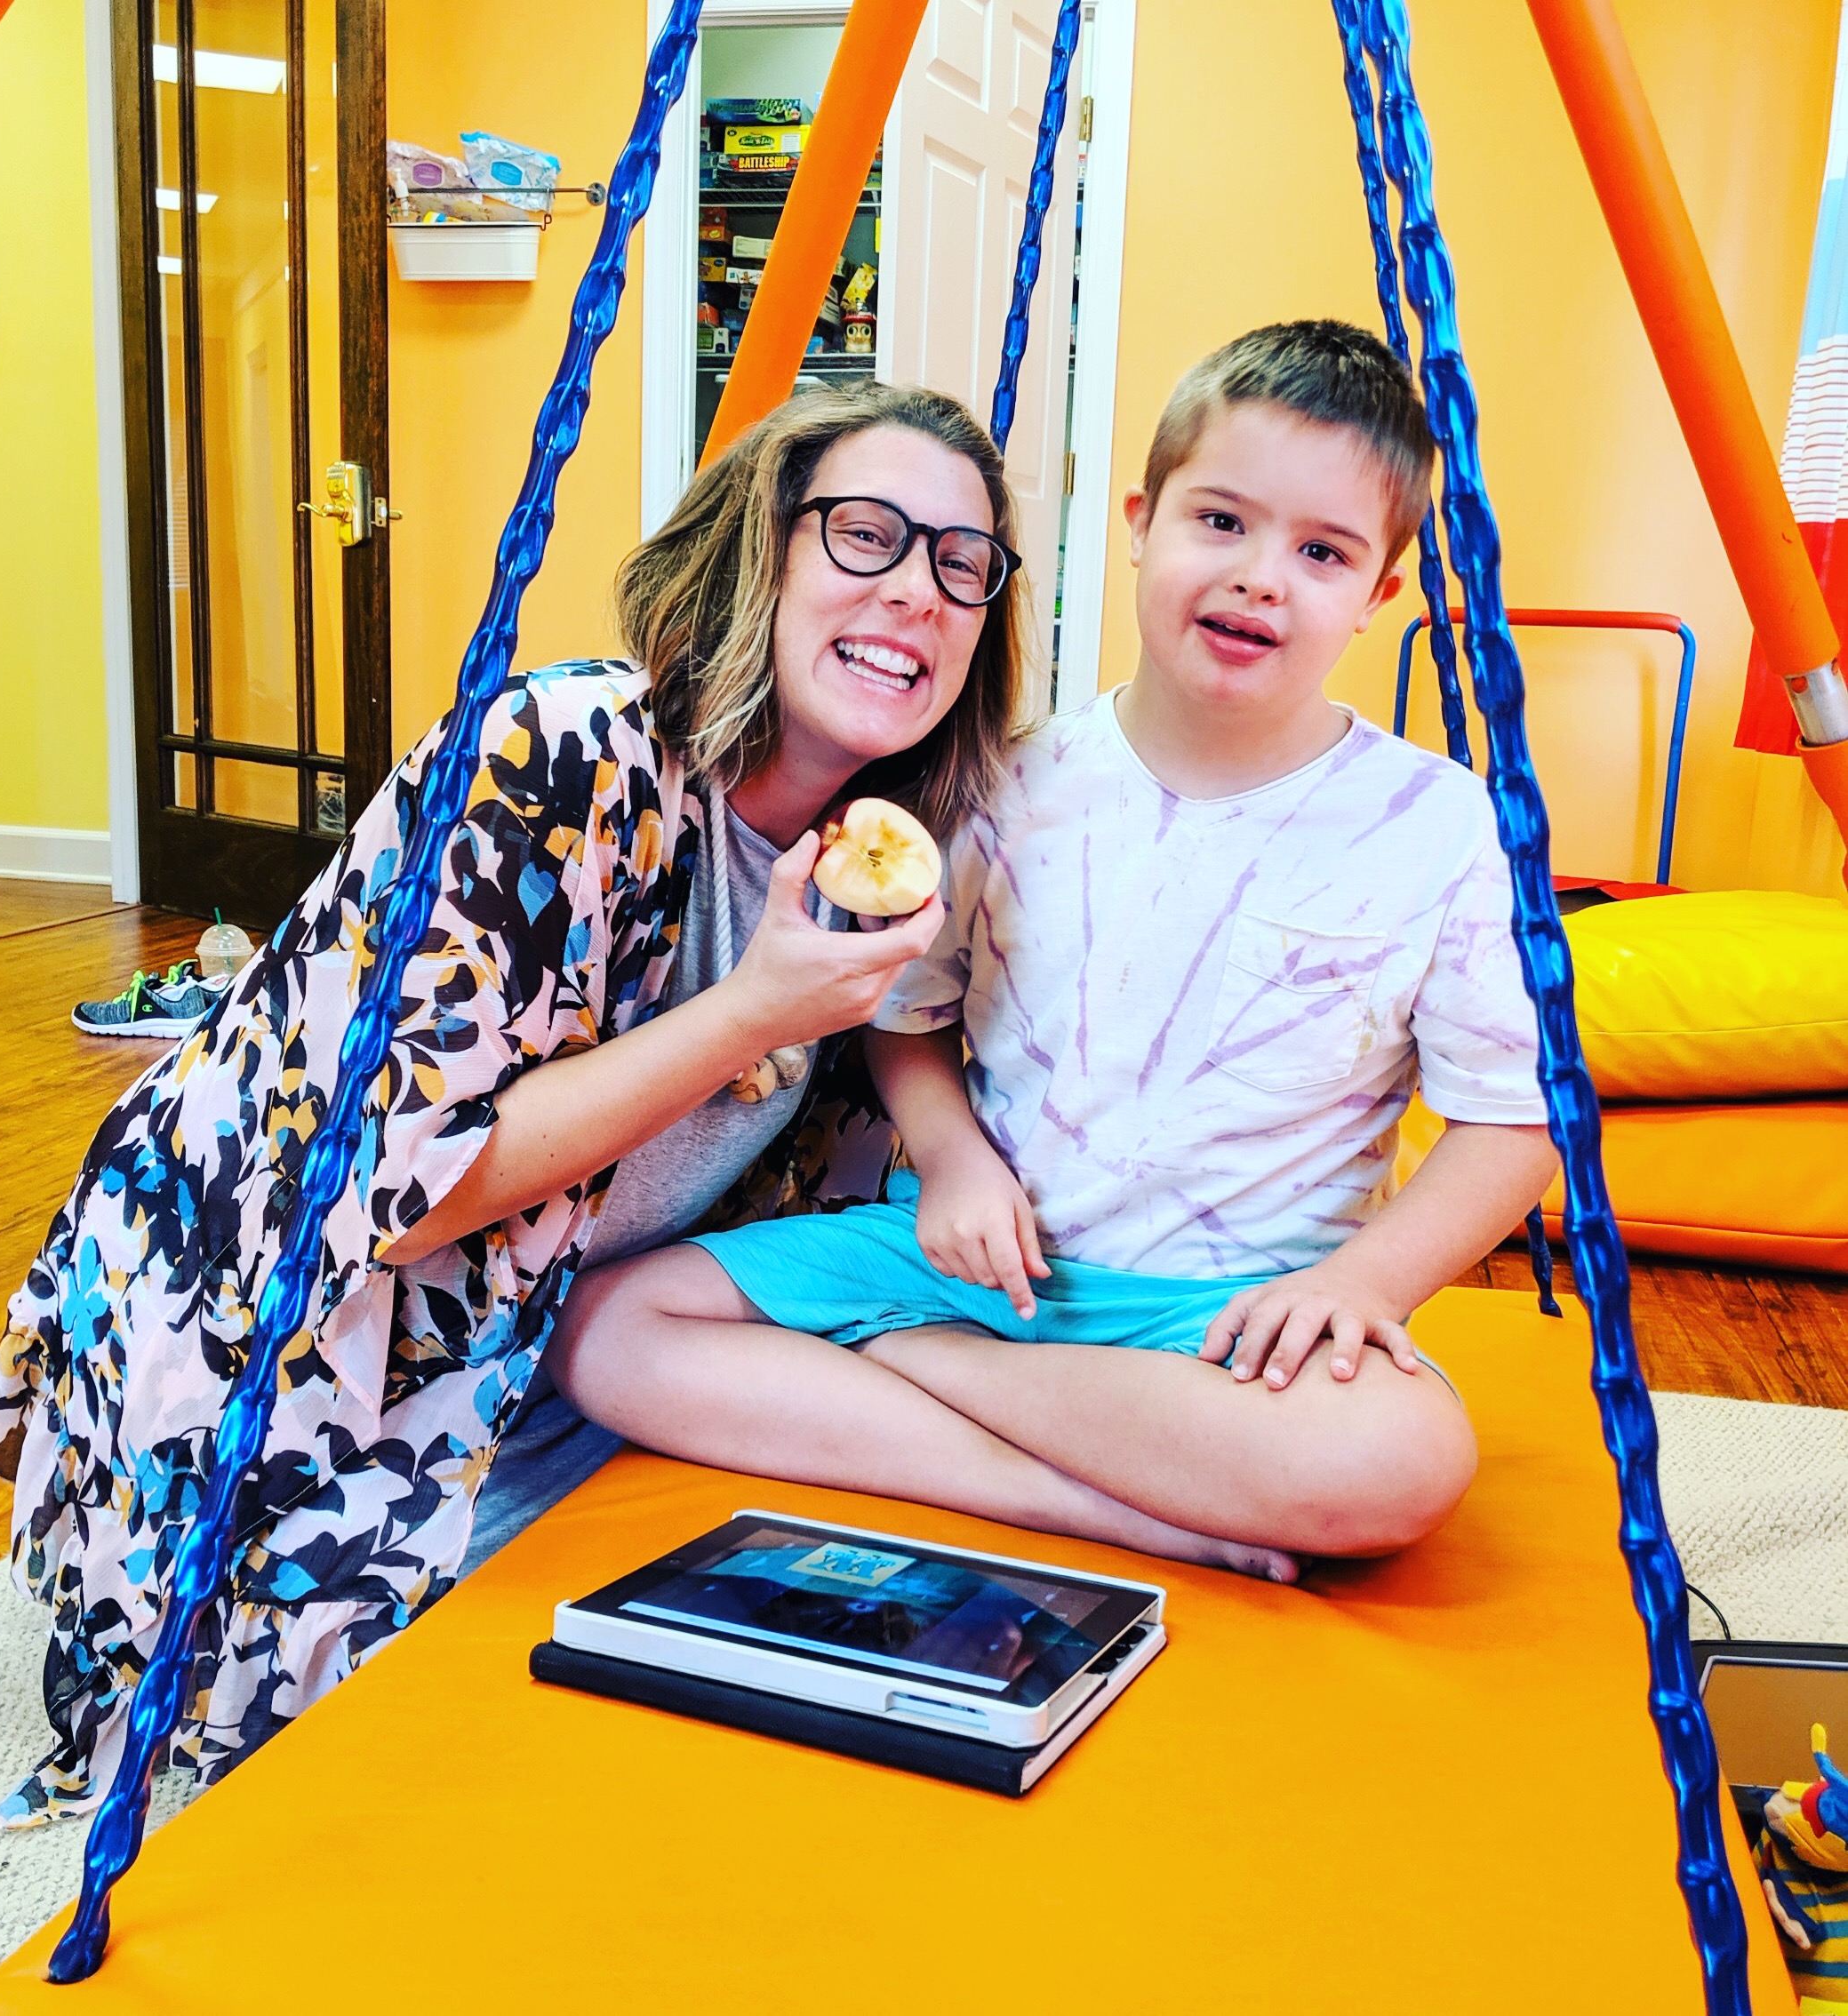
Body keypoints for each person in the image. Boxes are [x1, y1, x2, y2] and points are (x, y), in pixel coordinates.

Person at [0, 382, 1028, 1823]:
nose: (916, 591)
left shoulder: (898, 856)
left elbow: (882, 1125)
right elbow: (395, 1199)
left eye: (962, 563)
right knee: (413, 1776)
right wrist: (756, 1009)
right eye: (864, 535)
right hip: (297, 1322)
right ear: (758, 557)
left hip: (553, 1329)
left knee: (774, 1650)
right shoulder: (564, 756)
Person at [547, 321, 1561, 1580]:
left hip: (1219, 1317)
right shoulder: (1007, 782)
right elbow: (907, 1018)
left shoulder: (1441, 824)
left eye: (1321, 552)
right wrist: (957, 1165)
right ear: (1141, 518)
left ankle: (904, 1373)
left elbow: (1513, 1120)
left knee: (1399, 1461)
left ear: (1382, 593)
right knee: (606, 1326)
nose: (1260, 578)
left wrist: (1364, 1286)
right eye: (1222, 522)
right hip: (962, 1267)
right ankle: (1103, 1498)